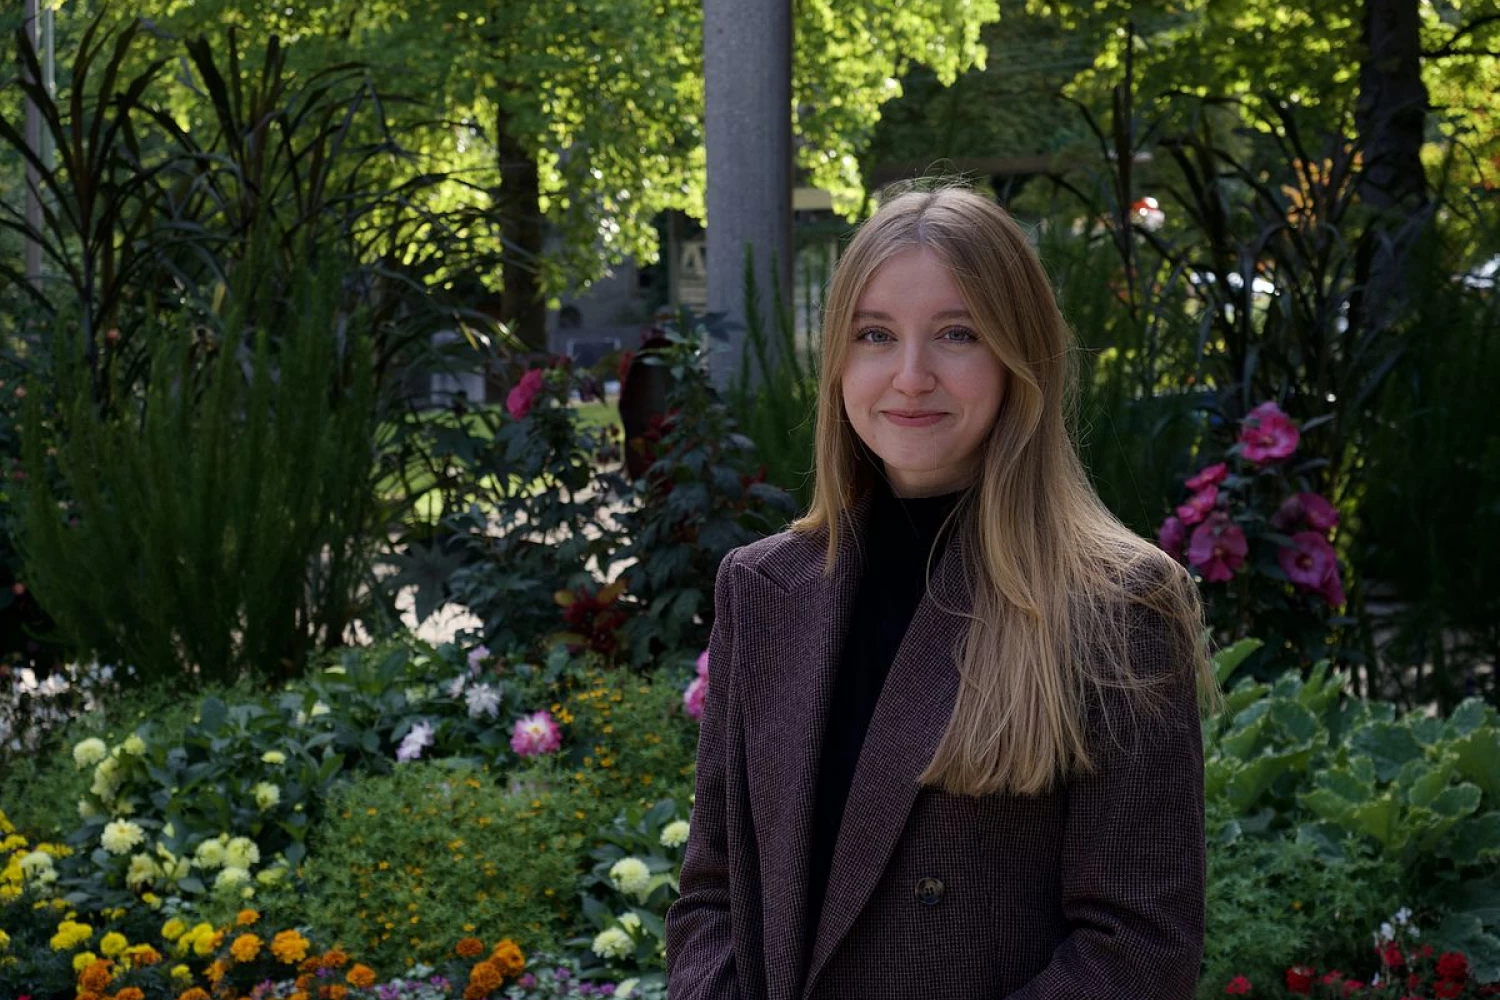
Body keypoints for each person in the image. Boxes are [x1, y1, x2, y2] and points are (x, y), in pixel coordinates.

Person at [664, 185, 1217, 1000]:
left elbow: (1138, 946)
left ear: (1020, 358)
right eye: (875, 335)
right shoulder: (764, 589)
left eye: (958, 334)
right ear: (838, 361)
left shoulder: (1115, 604)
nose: (910, 376)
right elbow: (714, 894)